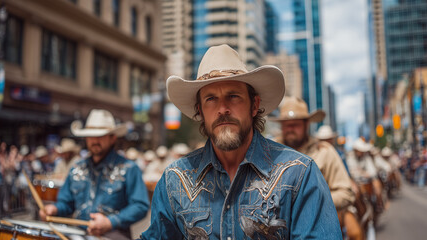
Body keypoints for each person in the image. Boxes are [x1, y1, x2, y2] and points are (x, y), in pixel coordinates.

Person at [140, 44, 341, 239]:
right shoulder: (174, 180)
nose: (222, 109)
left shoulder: (299, 174)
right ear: (200, 111)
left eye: (234, 96)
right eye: (211, 99)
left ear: (254, 106)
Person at [40, 109, 150, 239]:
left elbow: (140, 205)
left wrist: (111, 222)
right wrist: (55, 209)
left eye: (100, 136)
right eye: (91, 135)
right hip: (79, 233)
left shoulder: (130, 168)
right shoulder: (76, 167)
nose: (95, 140)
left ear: (112, 138)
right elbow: (66, 203)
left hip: (114, 234)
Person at [270, 96, 359, 239]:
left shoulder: (324, 151)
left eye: (296, 124)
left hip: (318, 224)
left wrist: (310, 202)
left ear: (306, 125)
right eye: (287, 124)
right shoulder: (270, 151)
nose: (291, 129)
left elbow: (346, 193)